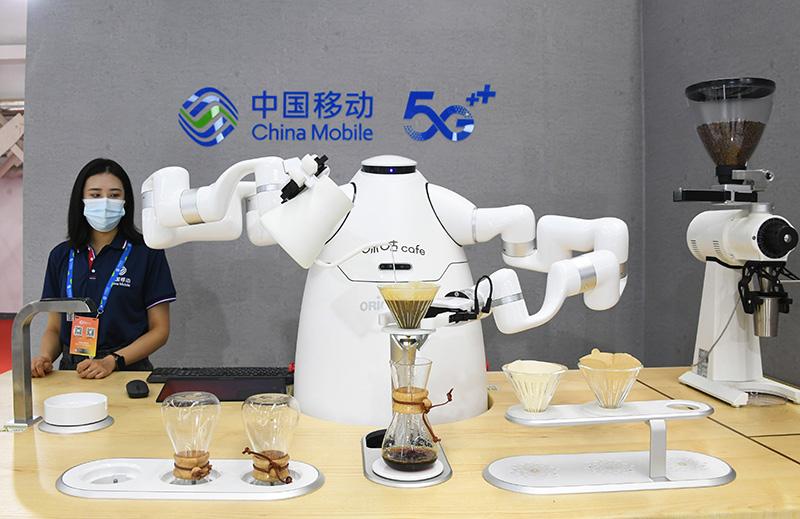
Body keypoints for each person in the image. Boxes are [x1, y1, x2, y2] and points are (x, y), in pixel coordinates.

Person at [31, 158, 176, 378]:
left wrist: (112, 361)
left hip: (126, 370)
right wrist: (44, 357)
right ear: (81, 201)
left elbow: (160, 330)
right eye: (95, 195)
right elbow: (54, 328)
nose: (105, 202)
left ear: (126, 202)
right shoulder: (61, 255)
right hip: (71, 372)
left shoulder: (147, 252)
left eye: (115, 195)